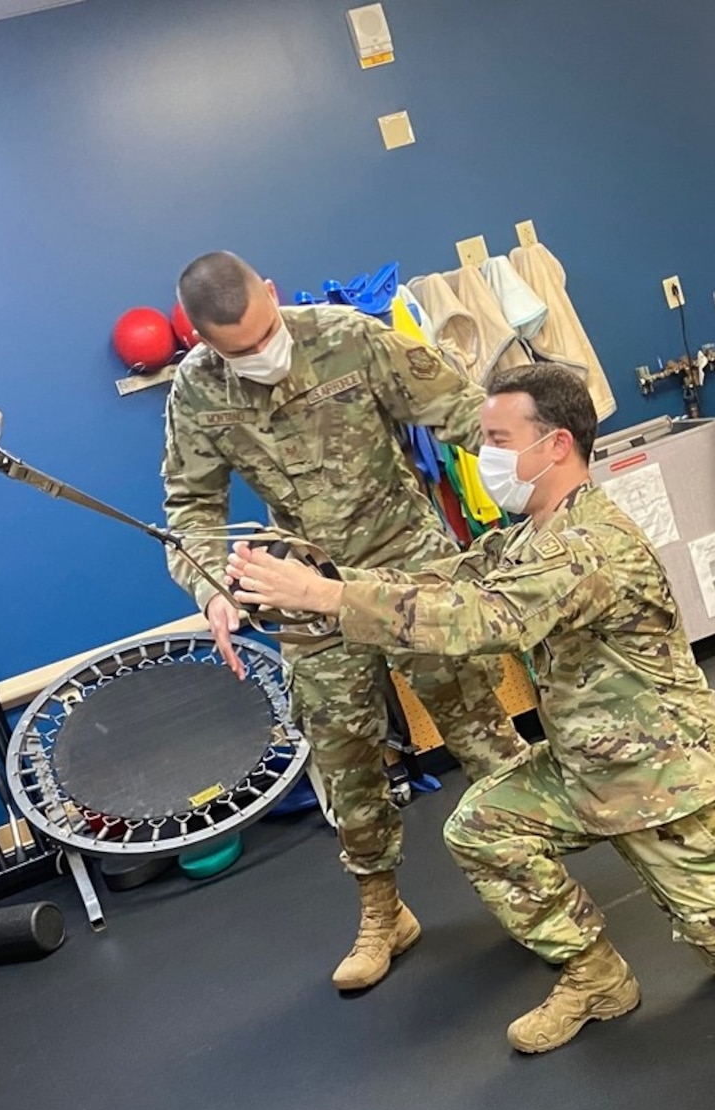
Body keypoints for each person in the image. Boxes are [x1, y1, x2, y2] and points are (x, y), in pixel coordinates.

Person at [227, 365, 715, 1054]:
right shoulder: (530, 535)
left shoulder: (590, 548)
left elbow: (481, 621)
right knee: (481, 829)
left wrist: (324, 598)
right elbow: (445, 578)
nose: (482, 456)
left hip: (667, 778)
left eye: (497, 441)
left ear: (554, 446)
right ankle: (595, 978)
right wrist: (310, 582)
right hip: (585, 768)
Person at [163, 251, 528, 993]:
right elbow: (191, 508)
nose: (260, 354)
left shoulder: (351, 337)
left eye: (265, 332)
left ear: (271, 293)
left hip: (407, 565)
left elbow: (462, 410)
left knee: (480, 731)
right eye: (237, 349)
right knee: (344, 761)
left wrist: (533, 477)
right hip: (306, 582)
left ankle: (534, 877)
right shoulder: (197, 391)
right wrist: (211, 592)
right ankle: (383, 913)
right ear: (202, 341)